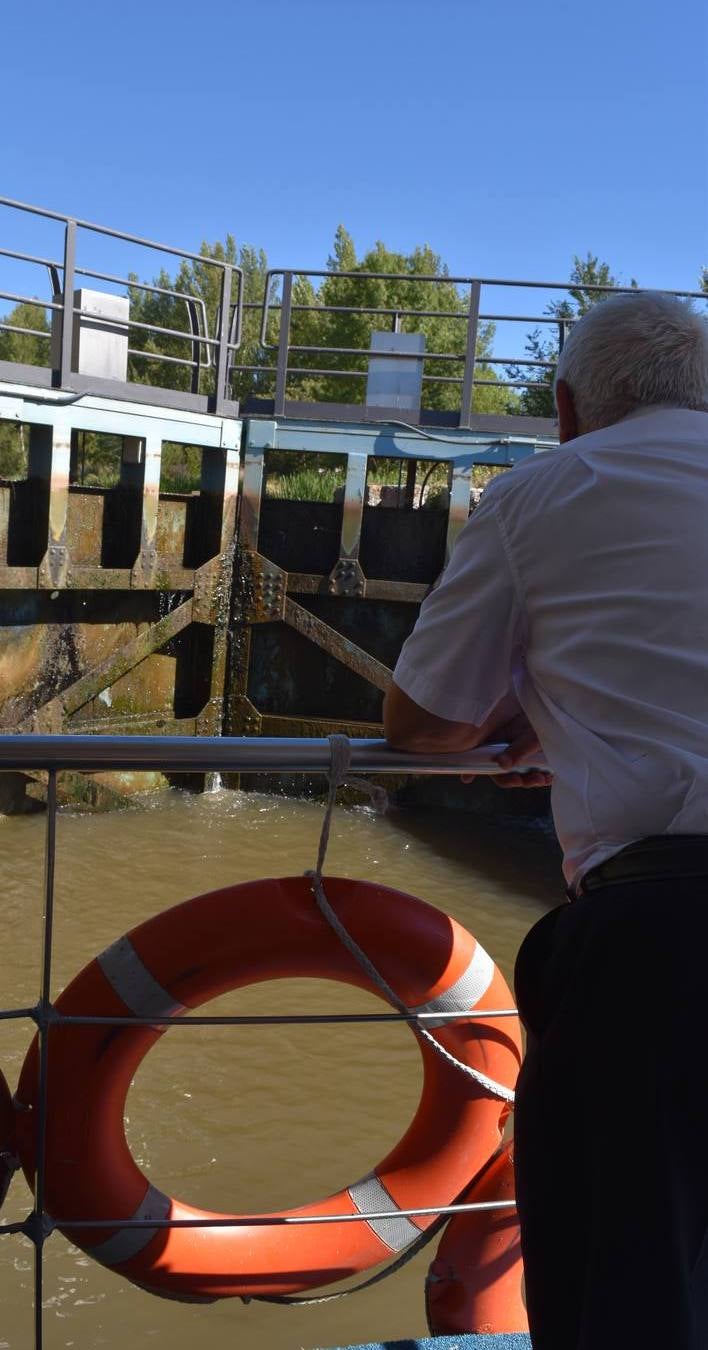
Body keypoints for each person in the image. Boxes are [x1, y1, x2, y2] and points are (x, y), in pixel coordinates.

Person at [383, 290, 708, 1350]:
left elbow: (423, 724)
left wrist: (536, 715)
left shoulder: (538, 496)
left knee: (626, 1280)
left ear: (566, 408)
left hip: (659, 945)